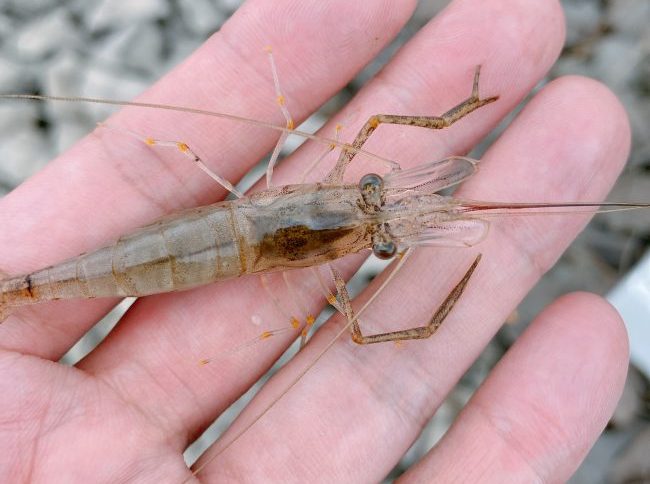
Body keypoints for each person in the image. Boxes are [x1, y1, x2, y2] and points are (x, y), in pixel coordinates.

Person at [0, 0, 633, 481]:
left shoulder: (348, 190)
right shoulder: (347, 235)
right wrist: (425, 314)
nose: (377, 211)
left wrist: (434, 136)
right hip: (222, 247)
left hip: (222, 237)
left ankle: (24, 289)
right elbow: (366, 330)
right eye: (375, 196)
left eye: (380, 238)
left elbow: (379, 124)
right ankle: (24, 290)